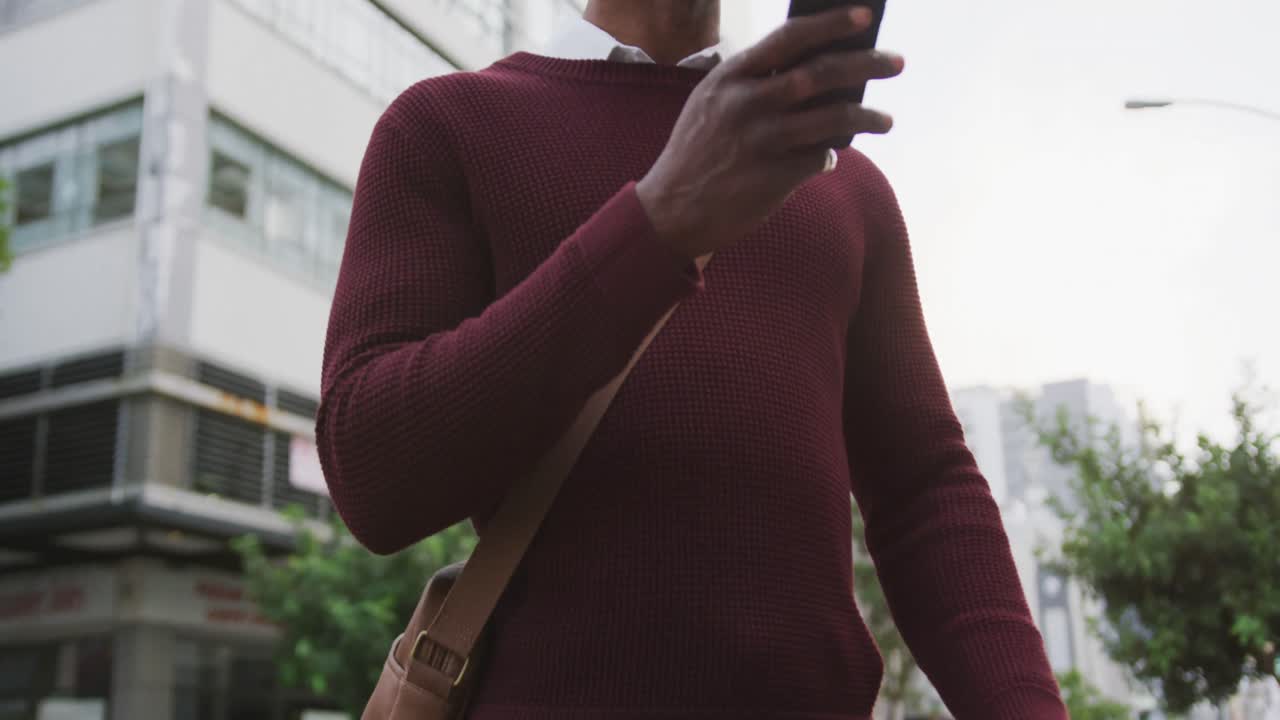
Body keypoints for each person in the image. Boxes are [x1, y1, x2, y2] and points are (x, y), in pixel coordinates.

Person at [316, 1, 1068, 718]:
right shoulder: (445, 126)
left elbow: (926, 492)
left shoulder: (845, 186)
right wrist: (655, 224)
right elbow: (372, 475)